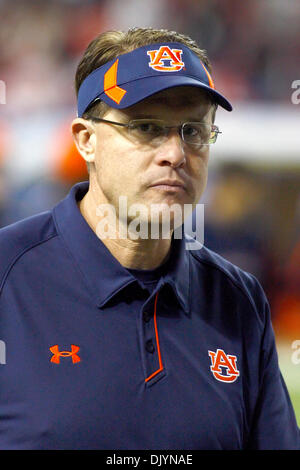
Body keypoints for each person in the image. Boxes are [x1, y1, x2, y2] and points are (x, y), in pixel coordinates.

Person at [0, 27, 299, 451]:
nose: (175, 154)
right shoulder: (7, 278)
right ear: (86, 140)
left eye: (193, 131)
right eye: (146, 127)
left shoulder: (238, 299)